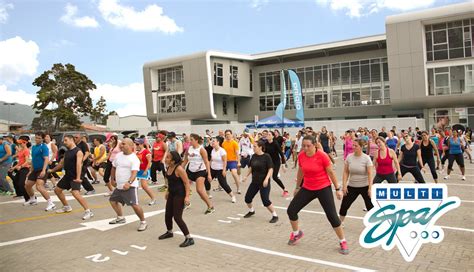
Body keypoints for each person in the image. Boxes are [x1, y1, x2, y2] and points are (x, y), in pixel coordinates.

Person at [287, 135, 348, 255]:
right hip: (307, 187)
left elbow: (330, 172)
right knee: (291, 210)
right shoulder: (301, 156)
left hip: (323, 187)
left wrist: (337, 189)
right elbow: (301, 171)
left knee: (332, 217)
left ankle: (343, 241)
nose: (305, 148)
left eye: (308, 146)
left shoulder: (322, 155)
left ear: (314, 145)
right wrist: (297, 187)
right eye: (303, 145)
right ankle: (296, 234)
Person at [50, 135, 94, 220]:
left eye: (66, 140)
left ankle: (89, 211)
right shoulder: (67, 152)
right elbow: (61, 164)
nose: (64, 142)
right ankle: (66, 207)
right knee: (57, 190)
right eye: (64, 141)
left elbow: (79, 164)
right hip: (68, 175)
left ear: (71, 140)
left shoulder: (78, 152)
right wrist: (52, 170)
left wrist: (78, 178)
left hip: (75, 175)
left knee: (75, 193)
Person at [108, 139, 148, 231]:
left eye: (123, 144)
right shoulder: (118, 155)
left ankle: (143, 222)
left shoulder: (134, 158)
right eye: (121, 144)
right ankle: (120, 218)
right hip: (119, 185)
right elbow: (113, 167)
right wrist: (112, 179)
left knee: (135, 205)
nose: (121, 145)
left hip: (130, 186)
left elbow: (134, 173)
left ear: (130, 146)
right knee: (113, 201)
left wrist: (129, 183)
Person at [158, 151, 194, 247]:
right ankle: (169, 232)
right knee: (168, 214)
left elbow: (187, 183)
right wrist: (168, 192)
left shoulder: (179, 169)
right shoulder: (169, 167)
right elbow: (170, 182)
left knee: (177, 217)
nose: (166, 159)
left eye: (168, 158)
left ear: (173, 161)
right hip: (172, 193)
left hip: (180, 194)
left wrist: (187, 197)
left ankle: (189, 238)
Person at [242, 140, 278, 223]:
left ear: (260, 147)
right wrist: (246, 176)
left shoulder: (266, 156)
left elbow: (271, 169)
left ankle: (275, 215)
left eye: (255, 146)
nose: (253, 148)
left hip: (264, 182)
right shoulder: (253, 156)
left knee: (265, 201)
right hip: (255, 182)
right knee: (247, 198)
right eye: (253, 146)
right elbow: (250, 167)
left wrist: (266, 179)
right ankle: (251, 211)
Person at [339, 139, 374, 223]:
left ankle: (375, 224)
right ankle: (340, 223)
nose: (353, 147)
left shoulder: (366, 158)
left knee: (370, 206)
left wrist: (370, 188)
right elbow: (346, 172)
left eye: (356, 146)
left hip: (365, 186)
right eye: (353, 145)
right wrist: (344, 186)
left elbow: (370, 174)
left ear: (361, 147)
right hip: (352, 186)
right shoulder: (349, 157)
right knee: (344, 205)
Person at [182, 134, 215, 214]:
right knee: (183, 187)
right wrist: (180, 169)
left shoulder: (201, 149)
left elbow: (206, 162)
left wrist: (209, 174)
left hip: (200, 171)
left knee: (199, 190)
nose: (190, 141)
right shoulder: (188, 149)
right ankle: (187, 203)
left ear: (196, 140)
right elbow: (185, 161)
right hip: (190, 170)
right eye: (189, 139)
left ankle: (210, 206)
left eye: (191, 139)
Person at [24, 132, 56, 211]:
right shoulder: (34, 147)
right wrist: (30, 171)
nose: (37, 139)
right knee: (27, 185)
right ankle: (33, 200)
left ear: (42, 139)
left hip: (42, 169)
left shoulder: (44, 147)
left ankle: (51, 203)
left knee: (39, 186)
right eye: (36, 137)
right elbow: (33, 160)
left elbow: (46, 159)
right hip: (35, 170)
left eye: (39, 138)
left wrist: (43, 170)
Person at [209, 137, 236, 203]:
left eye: (214, 141)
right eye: (212, 141)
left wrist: (224, 170)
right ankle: (208, 194)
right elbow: (211, 160)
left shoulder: (222, 151)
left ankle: (233, 196)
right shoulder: (213, 150)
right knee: (207, 180)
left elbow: (225, 161)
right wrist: (208, 168)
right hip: (213, 169)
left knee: (223, 184)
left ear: (218, 142)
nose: (212, 142)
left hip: (220, 169)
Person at [265, 131, 288, 197]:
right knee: (266, 175)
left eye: (269, 134)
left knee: (274, 177)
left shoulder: (275, 143)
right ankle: (265, 190)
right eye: (267, 134)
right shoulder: (265, 144)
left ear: (272, 136)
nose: (267, 136)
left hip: (276, 162)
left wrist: (283, 164)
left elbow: (281, 153)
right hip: (269, 162)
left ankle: (285, 190)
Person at [135, 138, 156, 205]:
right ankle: (135, 199)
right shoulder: (137, 152)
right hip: (138, 170)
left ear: (142, 144)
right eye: (135, 144)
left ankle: (153, 198)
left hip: (144, 170)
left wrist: (146, 171)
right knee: (135, 186)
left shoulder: (146, 152)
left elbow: (149, 163)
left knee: (144, 186)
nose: (136, 145)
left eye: (137, 144)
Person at [222, 130, 241, 194]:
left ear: (231, 134)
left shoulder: (234, 143)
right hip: (225, 161)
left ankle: (238, 188)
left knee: (234, 174)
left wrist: (238, 162)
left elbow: (237, 153)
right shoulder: (223, 143)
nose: (227, 135)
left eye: (229, 134)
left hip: (233, 161)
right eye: (226, 134)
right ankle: (221, 186)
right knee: (222, 174)